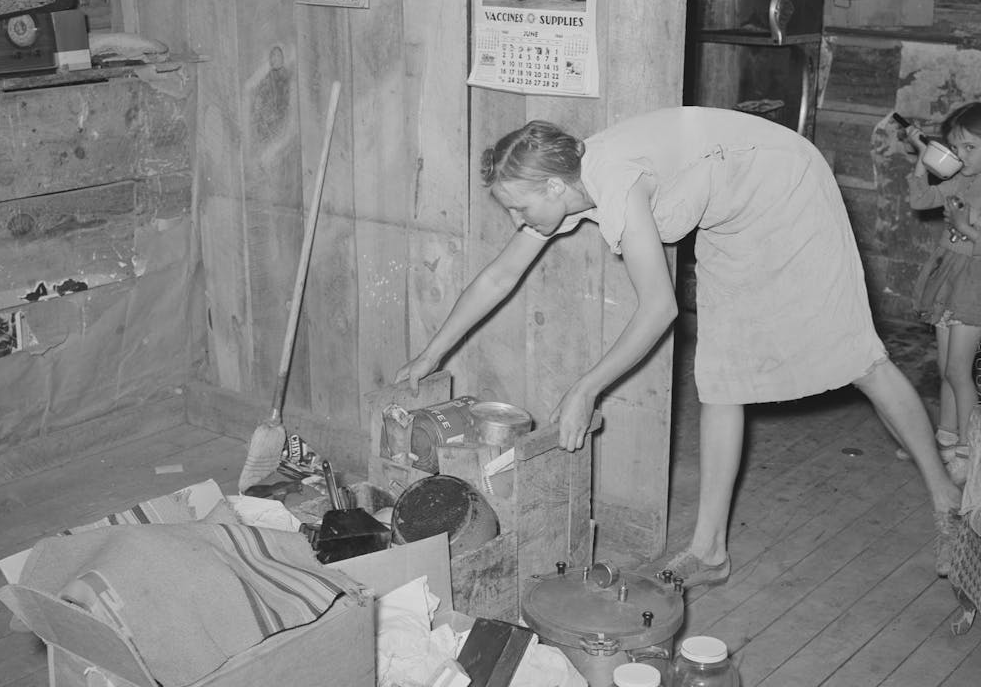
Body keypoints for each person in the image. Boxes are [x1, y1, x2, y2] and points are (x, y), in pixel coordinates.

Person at [394, 107, 963, 583]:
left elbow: (659, 307)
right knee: (721, 377)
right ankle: (709, 550)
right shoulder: (565, 183)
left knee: (859, 357)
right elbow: (500, 275)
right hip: (729, 209)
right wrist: (431, 354)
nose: (517, 219)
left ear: (554, 186)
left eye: (519, 207)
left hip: (784, 186)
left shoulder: (615, 186)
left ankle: (946, 501)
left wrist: (586, 389)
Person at [904, 103, 981, 486]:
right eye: (955, 147)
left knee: (959, 371)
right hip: (949, 277)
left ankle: (969, 452)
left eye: (970, 147)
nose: (960, 156)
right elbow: (920, 200)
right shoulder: (961, 182)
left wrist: (965, 228)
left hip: (974, 286)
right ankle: (947, 440)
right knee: (946, 368)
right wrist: (923, 157)